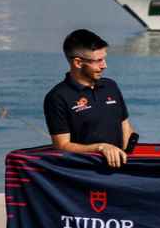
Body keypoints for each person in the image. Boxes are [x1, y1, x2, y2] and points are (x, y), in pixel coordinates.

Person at [44, 28, 134, 168]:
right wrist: (100, 148)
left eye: (104, 59)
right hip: (84, 172)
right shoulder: (57, 97)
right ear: (78, 63)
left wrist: (127, 157)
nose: (104, 65)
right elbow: (61, 145)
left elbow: (125, 126)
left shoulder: (111, 86)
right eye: (98, 61)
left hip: (119, 169)